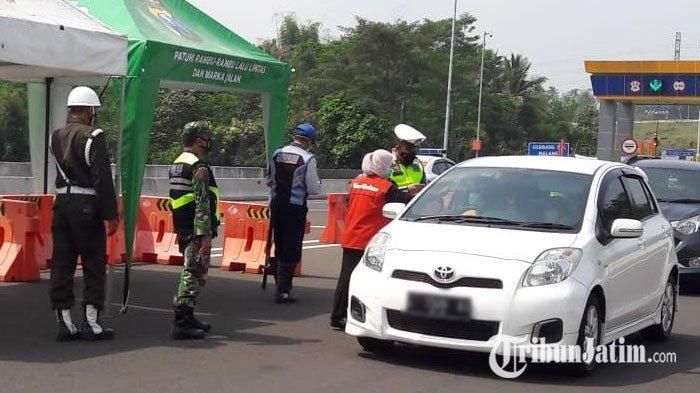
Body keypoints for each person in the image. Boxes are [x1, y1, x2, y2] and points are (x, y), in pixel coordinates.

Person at [49, 86, 118, 341]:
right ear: (90, 110)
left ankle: (64, 323)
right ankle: (92, 323)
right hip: (87, 205)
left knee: (62, 264)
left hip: (61, 204)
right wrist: (111, 214)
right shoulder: (94, 136)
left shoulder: (55, 136)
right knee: (93, 264)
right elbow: (102, 179)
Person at [330, 149, 413, 329]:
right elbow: (407, 200)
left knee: (346, 278)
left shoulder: (357, 183)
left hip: (352, 235)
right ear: (381, 165)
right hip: (370, 239)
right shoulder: (386, 187)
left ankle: (337, 315)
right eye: (390, 165)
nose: (392, 168)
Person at [168, 121, 221, 340]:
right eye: (206, 136)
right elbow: (202, 202)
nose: (209, 141)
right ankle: (182, 321)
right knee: (193, 273)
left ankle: (189, 317)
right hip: (195, 228)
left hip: (182, 225)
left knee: (191, 270)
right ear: (199, 139)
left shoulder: (177, 163)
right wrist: (205, 234)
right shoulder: (198, 167)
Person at [267, 123, 321, 303]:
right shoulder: (308, 158)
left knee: (279, 242)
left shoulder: (277, 154)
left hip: (277, 203)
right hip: (295, 206)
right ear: (309, 140)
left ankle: (279, 284)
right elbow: (314, 189)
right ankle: (283, 290)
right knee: (292, 247)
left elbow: (269, 179)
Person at [390, 124, 427, 196]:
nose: (412, 152)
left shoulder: (417, 163)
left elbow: (424, 184)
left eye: (414, 148)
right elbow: (384, 190)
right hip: (395, 204)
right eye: (409, 148)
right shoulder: (388, 164)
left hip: (415, 203)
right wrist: (406, 189)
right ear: (398, 147)